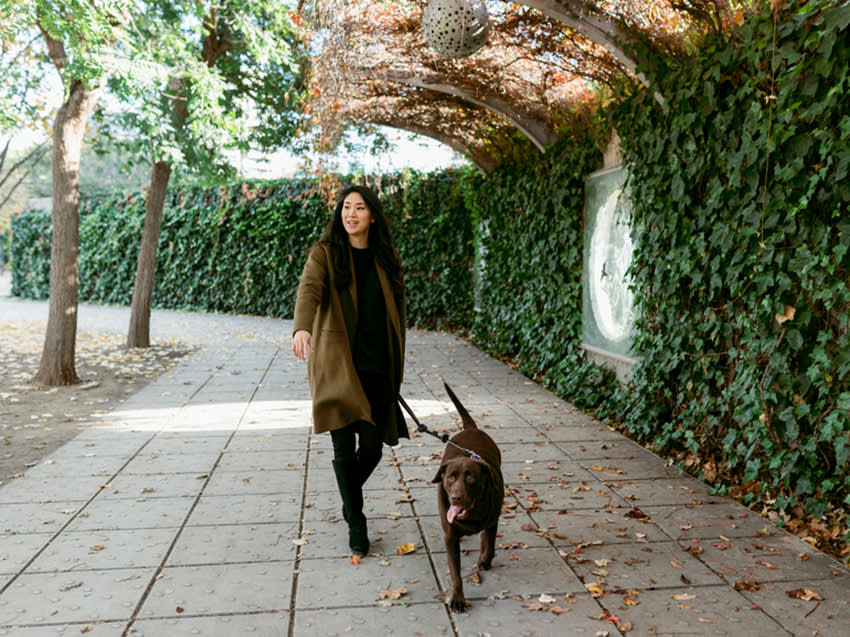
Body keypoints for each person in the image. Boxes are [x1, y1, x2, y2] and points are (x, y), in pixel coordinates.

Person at [292, 184, 408, 556]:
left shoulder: (385, 256)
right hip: (337, 364)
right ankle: (356, 522)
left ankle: (348, 499)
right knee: (344, 447)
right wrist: (302, 327)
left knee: (372, 447)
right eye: (346, 207)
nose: (351, 214)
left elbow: (399, 310)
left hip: (377, 364)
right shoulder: (325, 254)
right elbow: (309, 290)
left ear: (372, 215)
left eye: (359, 208)